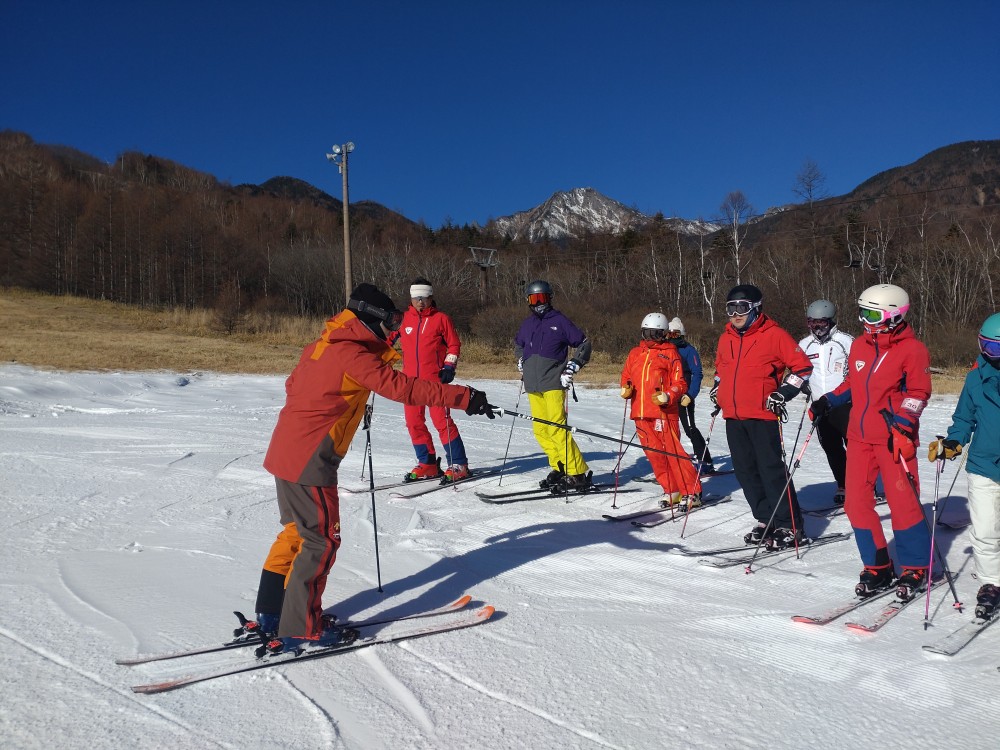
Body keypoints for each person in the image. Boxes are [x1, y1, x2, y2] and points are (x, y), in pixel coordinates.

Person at [244, 283, 497, 655]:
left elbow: (293, 385)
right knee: (320, 540)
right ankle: (302, 627)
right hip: (311, 458)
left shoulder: (321, 345)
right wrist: (463, 397)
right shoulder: (351, 354)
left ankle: (271, 612)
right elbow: (403, 388)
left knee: (296, 534)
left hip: (286, 451)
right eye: (391, 320)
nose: (394, 328)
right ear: (372, 319)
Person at [811, 284, 932, 601]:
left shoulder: (912, 350)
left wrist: (903, 425)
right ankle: (878, 566)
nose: (864, 320)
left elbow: (918, 393)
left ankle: (916, 566)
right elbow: (852, 383)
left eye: (872, 314)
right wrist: (829, 400)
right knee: (855, 504)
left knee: (903, 504)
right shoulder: (861, 347)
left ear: (894, 316)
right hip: (860, 439)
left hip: (893, 440)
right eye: (861, 312)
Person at [711, 284, 812, 549]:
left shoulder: (774, 335)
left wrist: (784, 392)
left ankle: (790, 524)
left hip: (763, 415)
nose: (735, 314)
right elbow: (721, 369)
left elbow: (802, 368)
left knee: (771, 470)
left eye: (742, 307)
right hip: (733, 415)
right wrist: (717, 388)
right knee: (745, 471)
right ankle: (765, 519)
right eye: (730, 308)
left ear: (756, 308)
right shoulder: (726, 338)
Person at [927, 312, 1000, 619]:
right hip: (984, 465)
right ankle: (991, 583)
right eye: (984, 346)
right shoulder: (975, 377)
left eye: (994, 349)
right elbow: (964, 419)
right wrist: (953, 443)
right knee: (985, 530)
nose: (987, 354)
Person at [389, 278, 471, 483]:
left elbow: (454, 345)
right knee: (413, 422)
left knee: (442, 421)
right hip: (410, 382)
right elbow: (387, 341)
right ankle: (427, 463)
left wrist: (449, 366)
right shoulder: (403, 319)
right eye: (417, 298)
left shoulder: (441, 319)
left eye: (424, 298)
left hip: (435, 381)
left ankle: (459, 463)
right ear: (411, 298)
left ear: (431, 297)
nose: (421, 302)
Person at [514, 279, 593, 490]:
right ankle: (560, 465)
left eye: (542, 298)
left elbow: (584, 344)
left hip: (553, 383)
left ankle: (576, 472)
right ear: (528, 301)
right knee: (540, 429)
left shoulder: (560, 321)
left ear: (549, 298)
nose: (539, 303)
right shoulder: (527, 323)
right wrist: (521, 360)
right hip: (532, 384)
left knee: (557, 428)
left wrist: (573, 366)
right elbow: (518, 344)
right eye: (534, 299)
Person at [621, 313, 703, 508]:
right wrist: (626, 387)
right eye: (646, 333)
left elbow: (680, 382)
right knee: (654, 454)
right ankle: (671, 489)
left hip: (663, 413)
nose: (650, 338)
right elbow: (626, 375)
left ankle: (692, 491)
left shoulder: (670, 352)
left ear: (663, 334)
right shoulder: (635, 353)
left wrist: (669, 395)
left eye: (655, 334)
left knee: (673, 453)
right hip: (640, 413)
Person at [798, 300, 854, 504]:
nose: (817, 328)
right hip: (819, 406)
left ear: (831, 321)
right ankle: (843, 484)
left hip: (845, 404)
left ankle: (864, 485)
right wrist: (802, 384)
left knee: (855, 447)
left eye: (821, 323)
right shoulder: (804, 345)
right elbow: (798, 370)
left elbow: (857, 372)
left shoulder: (846, 341)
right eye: (812, 323)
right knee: (831, 448)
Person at [667, 316, 715, 474]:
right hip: (669, 396)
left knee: (690, 428)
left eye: (675, 334)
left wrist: (691, 394)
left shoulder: (689, 350)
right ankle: (671, 462)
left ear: (681, 334)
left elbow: (697, 373)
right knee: (669, 430)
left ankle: (705, 461)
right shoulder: (665, 349)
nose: (671, 337)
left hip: (684, 396)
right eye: (669, 334)